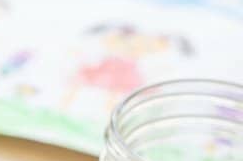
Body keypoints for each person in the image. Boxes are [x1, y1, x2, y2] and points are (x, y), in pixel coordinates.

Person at [64, 24, 193, 116]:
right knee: (84, 82)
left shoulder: (144, 46)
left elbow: (156, 52)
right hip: (109, 69)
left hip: (125, 74)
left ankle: (108, 114)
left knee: (115, 93)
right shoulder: (118, 42)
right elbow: (105, 43)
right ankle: (66, 106)